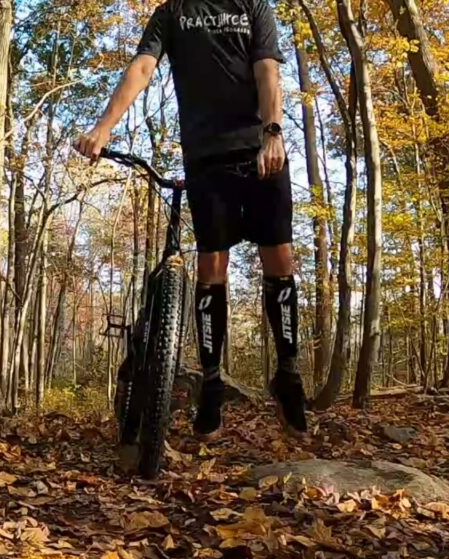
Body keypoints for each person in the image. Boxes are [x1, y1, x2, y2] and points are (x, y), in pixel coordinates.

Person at [74, 0, 307, 439]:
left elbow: (267, 71)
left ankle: (288, 373)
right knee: (211, 266)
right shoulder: (172, 12)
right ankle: (212, 383)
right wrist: (104, 126)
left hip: (260, 148)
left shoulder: (254, 6)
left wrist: (273, 132)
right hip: (206, 157)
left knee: (279, 257)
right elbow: (142, 68)